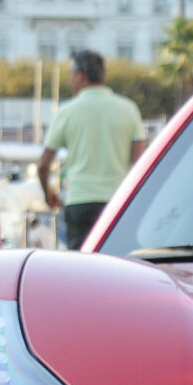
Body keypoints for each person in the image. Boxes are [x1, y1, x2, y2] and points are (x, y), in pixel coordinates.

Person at [36, 49, 142, 248]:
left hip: (80, 201)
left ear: (80, 76)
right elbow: (141, 162)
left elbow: (43, 165)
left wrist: (48, 192)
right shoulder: (128, 109)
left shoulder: (66, 112)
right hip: (118, 201)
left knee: (81, 269)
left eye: (70, 74)